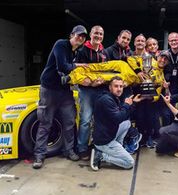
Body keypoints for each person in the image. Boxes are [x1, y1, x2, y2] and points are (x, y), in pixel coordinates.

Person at [32, 25, 88, 169]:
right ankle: (39, 155)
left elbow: (74, 72)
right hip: (49, 89)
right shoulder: (61, 44)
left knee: (69, 122)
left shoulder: (77, 52)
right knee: (45, 122)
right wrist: (79, 65)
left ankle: (68, 150)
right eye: (78, 35)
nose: (80, 38)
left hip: (65, 91)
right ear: (72, 35)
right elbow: (63, 66)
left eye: (83, 37)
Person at [90, 76, 143, 171]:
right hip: (104, 141)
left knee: (126, 123)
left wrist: (133, 103)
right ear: (110, 87)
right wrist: (126, 105)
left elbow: (124, 116)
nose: (119, 89)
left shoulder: (112, 97)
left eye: (121, 86)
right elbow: (118, 118)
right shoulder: (107, 100)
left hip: (108, 133)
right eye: (116, 86)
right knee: (129, 163)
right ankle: (101, 155)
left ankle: (117, 146)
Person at [75, 25, 108, 160]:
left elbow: (106, 70)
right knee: (85, 120)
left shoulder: (104, 52)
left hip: (101, 90)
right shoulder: (82, 50)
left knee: (99, 120)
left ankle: (96, 145)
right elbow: (78, 72)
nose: (98, 36)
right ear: (91, 34)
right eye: (96, 33)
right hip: (87, 91)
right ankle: (82, 148)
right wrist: (90, 82)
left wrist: (102, 81)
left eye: (100, 34)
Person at [134, 51, 168, 148]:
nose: (163, 60)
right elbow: (132, 59)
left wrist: (152, 97)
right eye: (162, 57)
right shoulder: (149, 61)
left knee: (150, 118)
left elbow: (157, 92)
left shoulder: (162, 76)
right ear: (157, 56)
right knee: (139, 118)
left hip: (148, 100)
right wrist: (138, 71)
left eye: (166, 59)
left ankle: (147, 138)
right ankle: (138, 138)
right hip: (138, 94)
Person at [162, 32, 178, 126]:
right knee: (167, 113)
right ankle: (166, 133)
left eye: (175, 40)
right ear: (168, 42)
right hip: (168, 87)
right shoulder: (164, 54)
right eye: (171, 40)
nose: (174, 42)